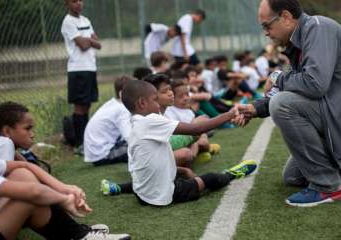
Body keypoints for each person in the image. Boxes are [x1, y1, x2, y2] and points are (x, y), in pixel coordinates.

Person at [234, 0, 341, 207]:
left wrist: (276, 77)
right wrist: (255, 108)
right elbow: (296, 84)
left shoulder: (318, 28)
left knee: (282, 105)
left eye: (267, 25)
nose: (265, 32)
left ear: (285, 17)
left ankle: (328, 187)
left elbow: (314, 84)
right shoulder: (301, 38)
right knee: (293, 176)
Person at [100, 80, 257, 206]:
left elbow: (153, 164)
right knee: (211, 179)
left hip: (142, 194)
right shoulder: (150, 121)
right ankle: (231, 174)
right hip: (163, 196)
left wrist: (181, 170)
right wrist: (229, 114)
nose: (158, 104)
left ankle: (119, 188)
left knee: (171, 175)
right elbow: (196, 129)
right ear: (142, 103)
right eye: (155, 100)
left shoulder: (135, 123)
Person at [0, 156, 130, 240]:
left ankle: (74, 233)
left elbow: (25, 165)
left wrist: (64, 188)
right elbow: (34, 192)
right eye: (28, 128)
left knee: (21, 174)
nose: (32, 133)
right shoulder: (5, 143)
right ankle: (77, 234)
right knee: (27, 198)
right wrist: (63, 199)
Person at [61, 0, 102, 150]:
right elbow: (84, 46)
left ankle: (85, 141)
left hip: (90, 67)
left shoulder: (86, 20)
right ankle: (78, 143)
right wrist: (90, 40)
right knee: (80, 106)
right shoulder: (68, 22)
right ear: (66, 4)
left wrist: (88, 40)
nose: (78, 3)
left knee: (87, 104)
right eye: (73, 1)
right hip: (77, 69)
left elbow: (98, 44)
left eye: (80, 0)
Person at [84, 76, 134, 166]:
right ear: (121, 94)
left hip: (97, 151)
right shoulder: (122, 109)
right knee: (142, 147)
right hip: (103, 155)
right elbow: (129, 136)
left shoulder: (113, 103)